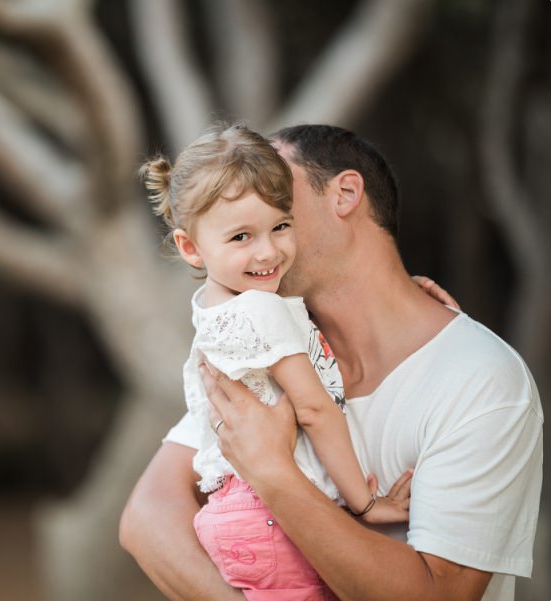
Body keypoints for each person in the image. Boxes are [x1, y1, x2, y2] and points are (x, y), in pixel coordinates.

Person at [120, 125, 543, 601]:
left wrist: (273, 474)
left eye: (274, 187)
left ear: (344, 194)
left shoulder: (481, 381)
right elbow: (147, 515)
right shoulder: (267, 351)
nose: (254, 210)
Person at [139, 122, 411, 600]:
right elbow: (312, 409)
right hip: (270, 515)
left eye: (281, 226)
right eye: (242, 236)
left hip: (232, 512)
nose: (268, 252)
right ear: (189, 247)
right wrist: (365, 503)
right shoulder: (261, 309)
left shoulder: (212, 306)